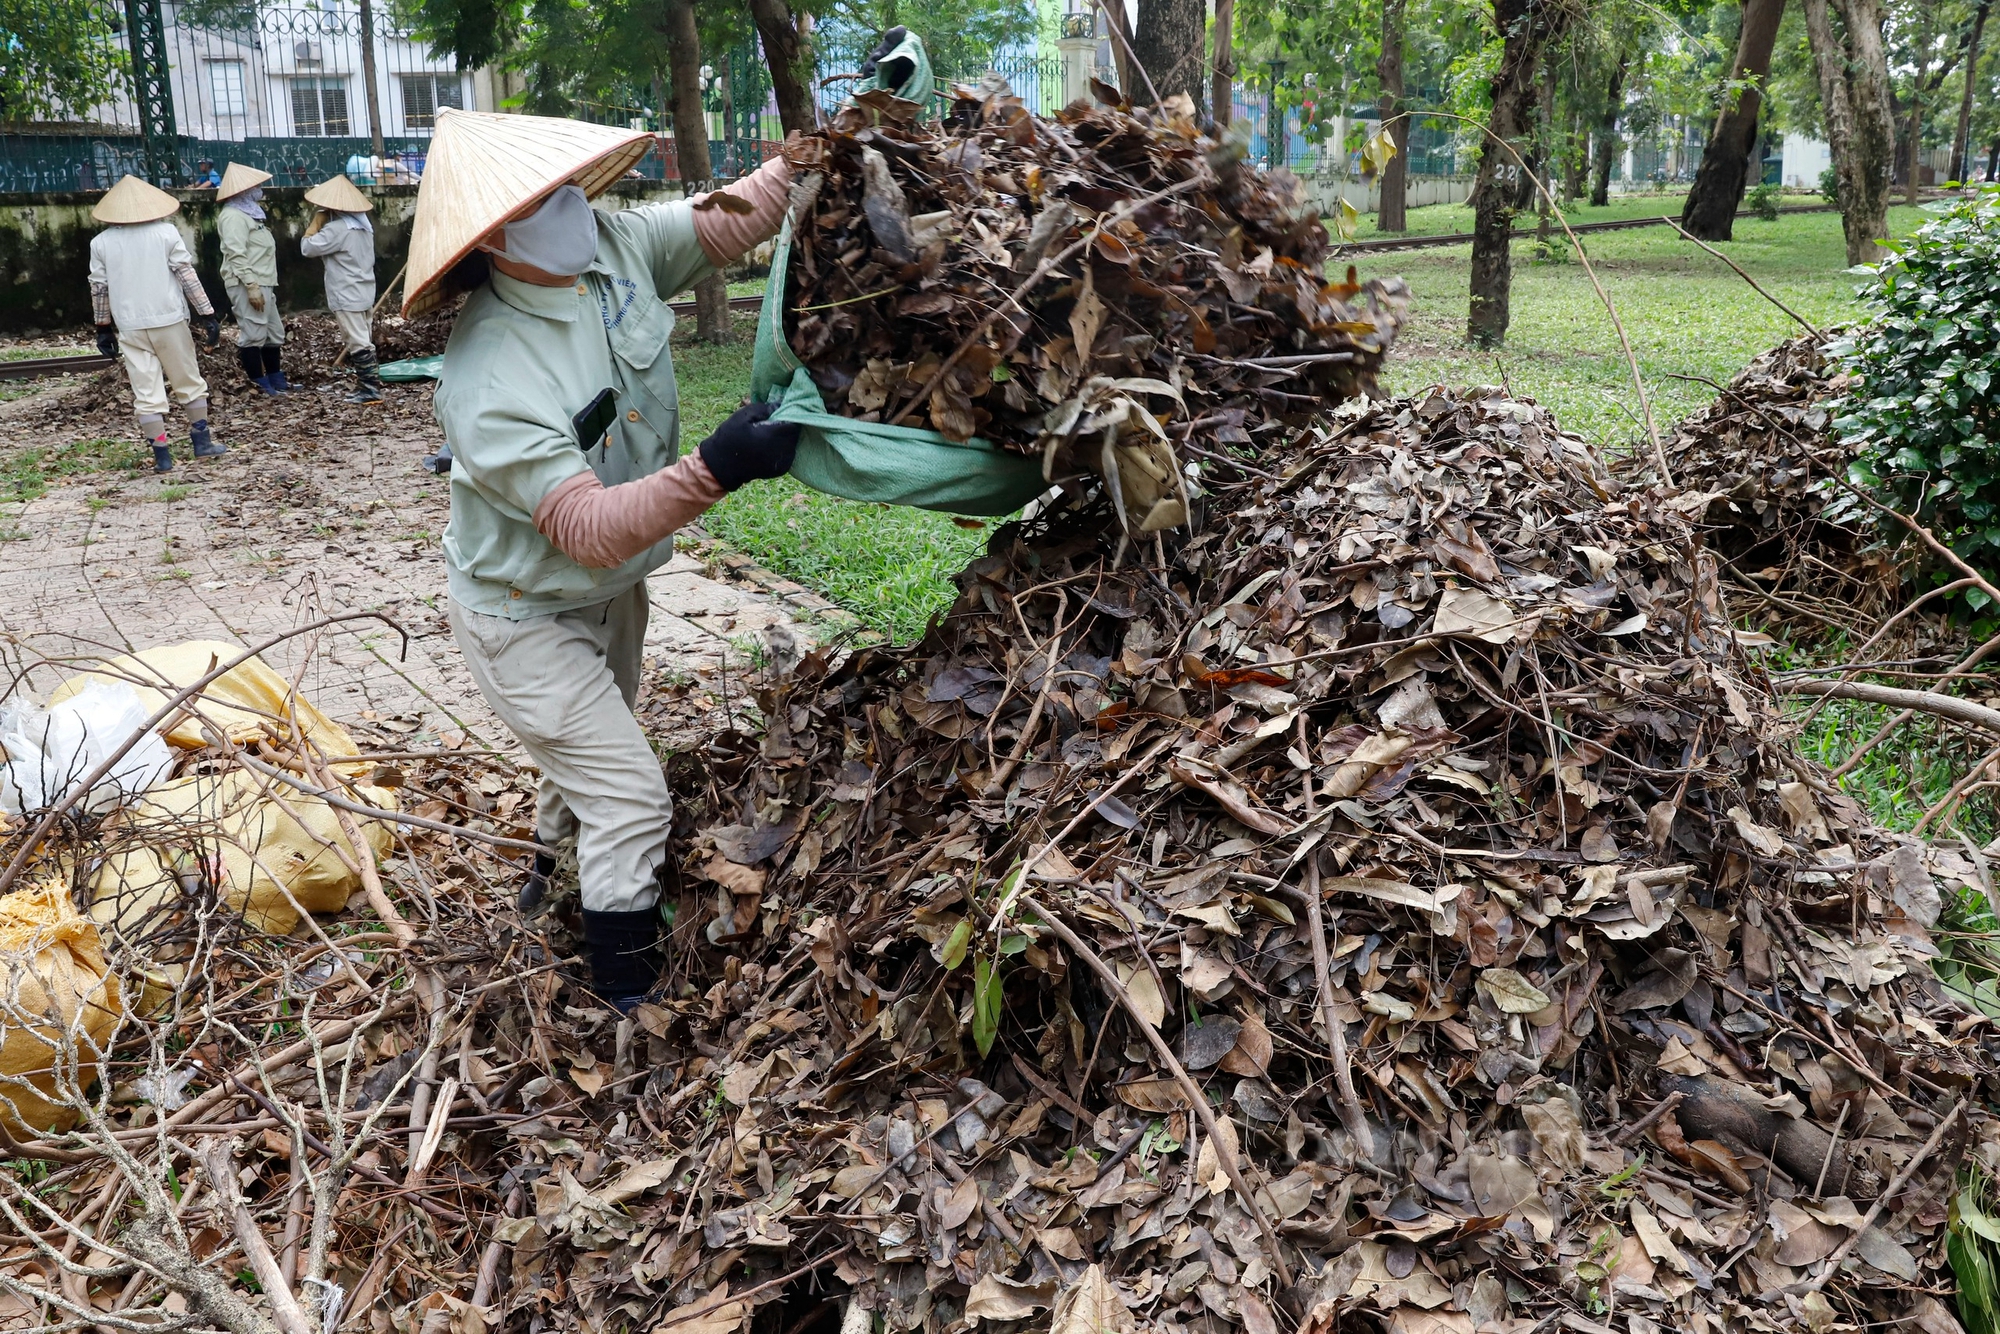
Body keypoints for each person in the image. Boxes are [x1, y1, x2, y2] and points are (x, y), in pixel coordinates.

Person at [402, 109, 799, 1009]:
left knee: (582, 755)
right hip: (526, 614)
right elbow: (584, 526)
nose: (575, 206)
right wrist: (716, 469)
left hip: (613, 592)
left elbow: (719, 223)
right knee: (629, 797)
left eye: (573, 185)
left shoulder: (610, 247)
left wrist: (803, 161)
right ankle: (625, 994)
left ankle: (546, 886)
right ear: (496, 236)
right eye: (548, 198)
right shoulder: (489, 376)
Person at [87, 175, 225, 475]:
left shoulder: (100, 243)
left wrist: (103, 327)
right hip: (169, 320)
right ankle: (202, 443)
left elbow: (99, 288)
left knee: (146, 392)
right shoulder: (166, 233)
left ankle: (162, 457)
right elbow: (186, 275)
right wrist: (208, 313)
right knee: (188, 381)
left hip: (130, 326)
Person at [301, 173, 383, 404]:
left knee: (358, 341)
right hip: (364, 289)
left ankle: (370, 390)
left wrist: (315, 223)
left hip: (346, 291)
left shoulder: (337, 229)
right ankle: (368, 386)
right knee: (363, 338)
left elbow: (307, 248)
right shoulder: (364, 227)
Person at [215, 162, 288, 395]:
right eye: (255, 185)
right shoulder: (233, 216)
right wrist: (251, 285)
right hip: (248, 283)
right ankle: (259, 383)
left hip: (264, 281)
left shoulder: (250, 214)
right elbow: (236, 253)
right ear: (243, 189)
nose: (259, 188)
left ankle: (276, 380)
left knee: (273, 333)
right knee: (254, 334)